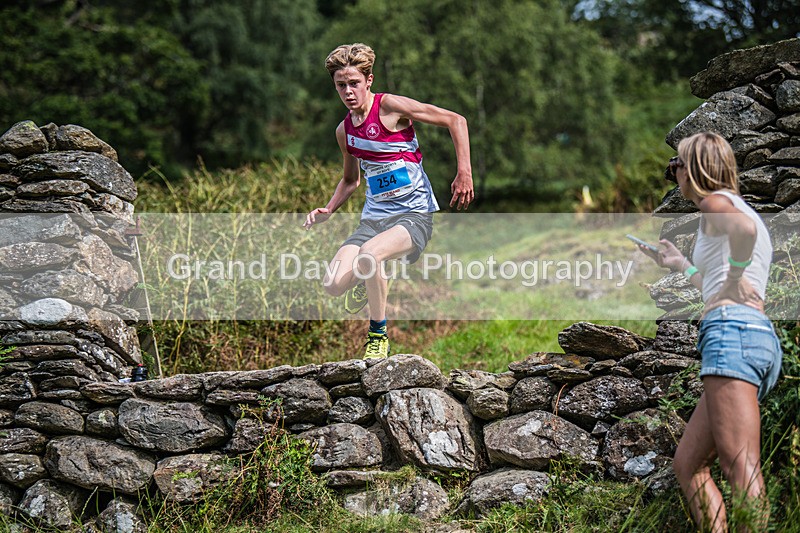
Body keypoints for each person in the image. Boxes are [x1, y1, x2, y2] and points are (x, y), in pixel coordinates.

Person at [640, 131, 782, 531]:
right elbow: (717, 284)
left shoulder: (715, 202)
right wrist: (681, 265)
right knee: (689, 464)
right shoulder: (731, 207)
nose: (673, 173)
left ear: (694, 169)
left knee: (740, 466)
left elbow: (744, 234)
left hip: (732, 334)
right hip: (749, 337)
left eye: (676, 165)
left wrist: (735, 274)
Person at [304, 43, 473, 358]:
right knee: (333, 284)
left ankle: (378, 336)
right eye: (341, 85)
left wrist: (464, 171)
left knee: (370, 255)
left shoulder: (390, 107)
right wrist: (329, 208)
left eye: (354, 83)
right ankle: (368, 278)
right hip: (374, 219)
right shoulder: (344, 132)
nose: (348, 91)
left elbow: (456, 120)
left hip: (413, 214)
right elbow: (351, 180)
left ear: (368, 80)